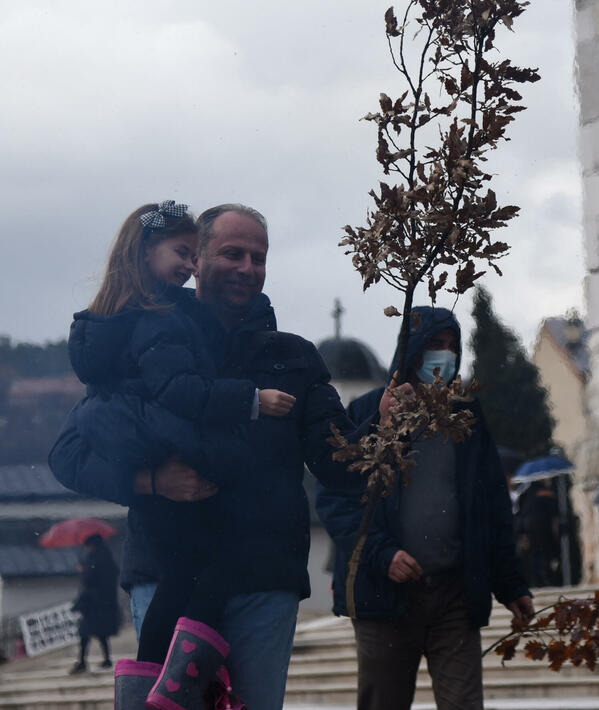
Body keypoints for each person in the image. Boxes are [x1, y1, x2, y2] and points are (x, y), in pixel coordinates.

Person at [50, 203, 388, 710]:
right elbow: (69, 454)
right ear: (196, 260)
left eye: (258, 257)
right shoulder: (153, 336)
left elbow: (341, 468)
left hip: (262, 577)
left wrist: (388, 424)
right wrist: (150, 482)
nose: (247, 268)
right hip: (166, 574)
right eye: (232, 253)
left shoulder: (294, 357)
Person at [316, 306, 534, 710]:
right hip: (385, 597)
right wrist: (382, 554)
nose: (445, 355)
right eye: (434, 345)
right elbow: (336, 499)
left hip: (454, 593)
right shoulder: (369, 412)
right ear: (411, 350)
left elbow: (490, 506)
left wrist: (511, 584)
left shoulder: (465, 416)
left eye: (452, 346)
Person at [70, 534, 121, 674]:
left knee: (85, 632)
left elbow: (90, 579)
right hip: (106, 603)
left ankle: (82, 661)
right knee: (101, 632)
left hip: (93, 603)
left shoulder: (94, 559)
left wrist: (83, 570)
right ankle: (106, 658)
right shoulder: (108, 557)